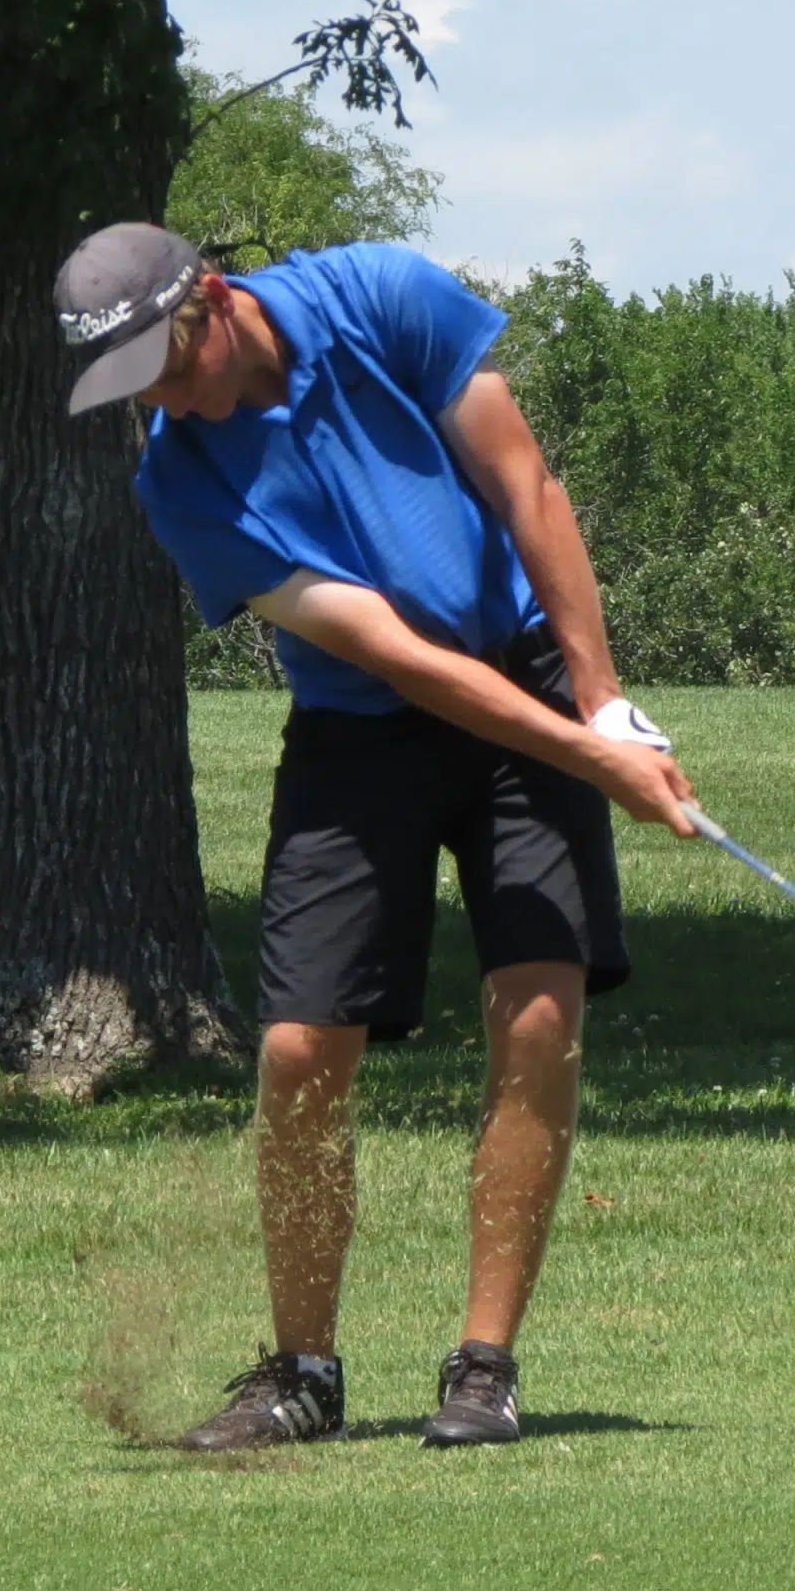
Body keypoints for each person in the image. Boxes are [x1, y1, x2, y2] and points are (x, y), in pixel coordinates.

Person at [52, 223, 695, 1450]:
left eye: (168, 369)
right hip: (361, 733)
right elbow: (400, 659)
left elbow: (526, 487)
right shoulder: (178, 485)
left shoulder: (383, 295)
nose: (163, 405)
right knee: (299, 1048)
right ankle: (300, 1370)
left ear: (216, 302)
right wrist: (597, 761)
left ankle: (484, 1362)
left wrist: (602, 701)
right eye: (132, 390)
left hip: (525, 675)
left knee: (541, 1009)